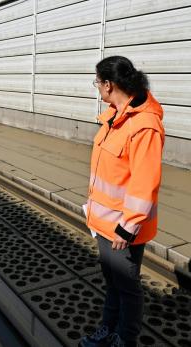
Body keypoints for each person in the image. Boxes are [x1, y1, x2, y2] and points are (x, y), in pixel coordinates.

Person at [80, 56, 164, 347]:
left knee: (127, 288)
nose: (97, 88)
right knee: (113, 284)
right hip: (102, 222)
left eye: (97, 82)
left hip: (121, 230)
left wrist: (128, 226)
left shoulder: (144, 126)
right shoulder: (114, 117)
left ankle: (124, 340)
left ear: (109, 84)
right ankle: (108, 330)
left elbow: (145, 181)